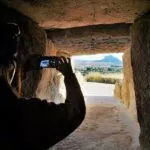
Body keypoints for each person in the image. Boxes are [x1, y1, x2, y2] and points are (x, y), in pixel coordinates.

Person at [0, 22, 86, 150]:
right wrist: (69, 75)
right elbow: (75, 112)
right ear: (12, 66)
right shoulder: (25, 115)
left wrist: (21, 70)